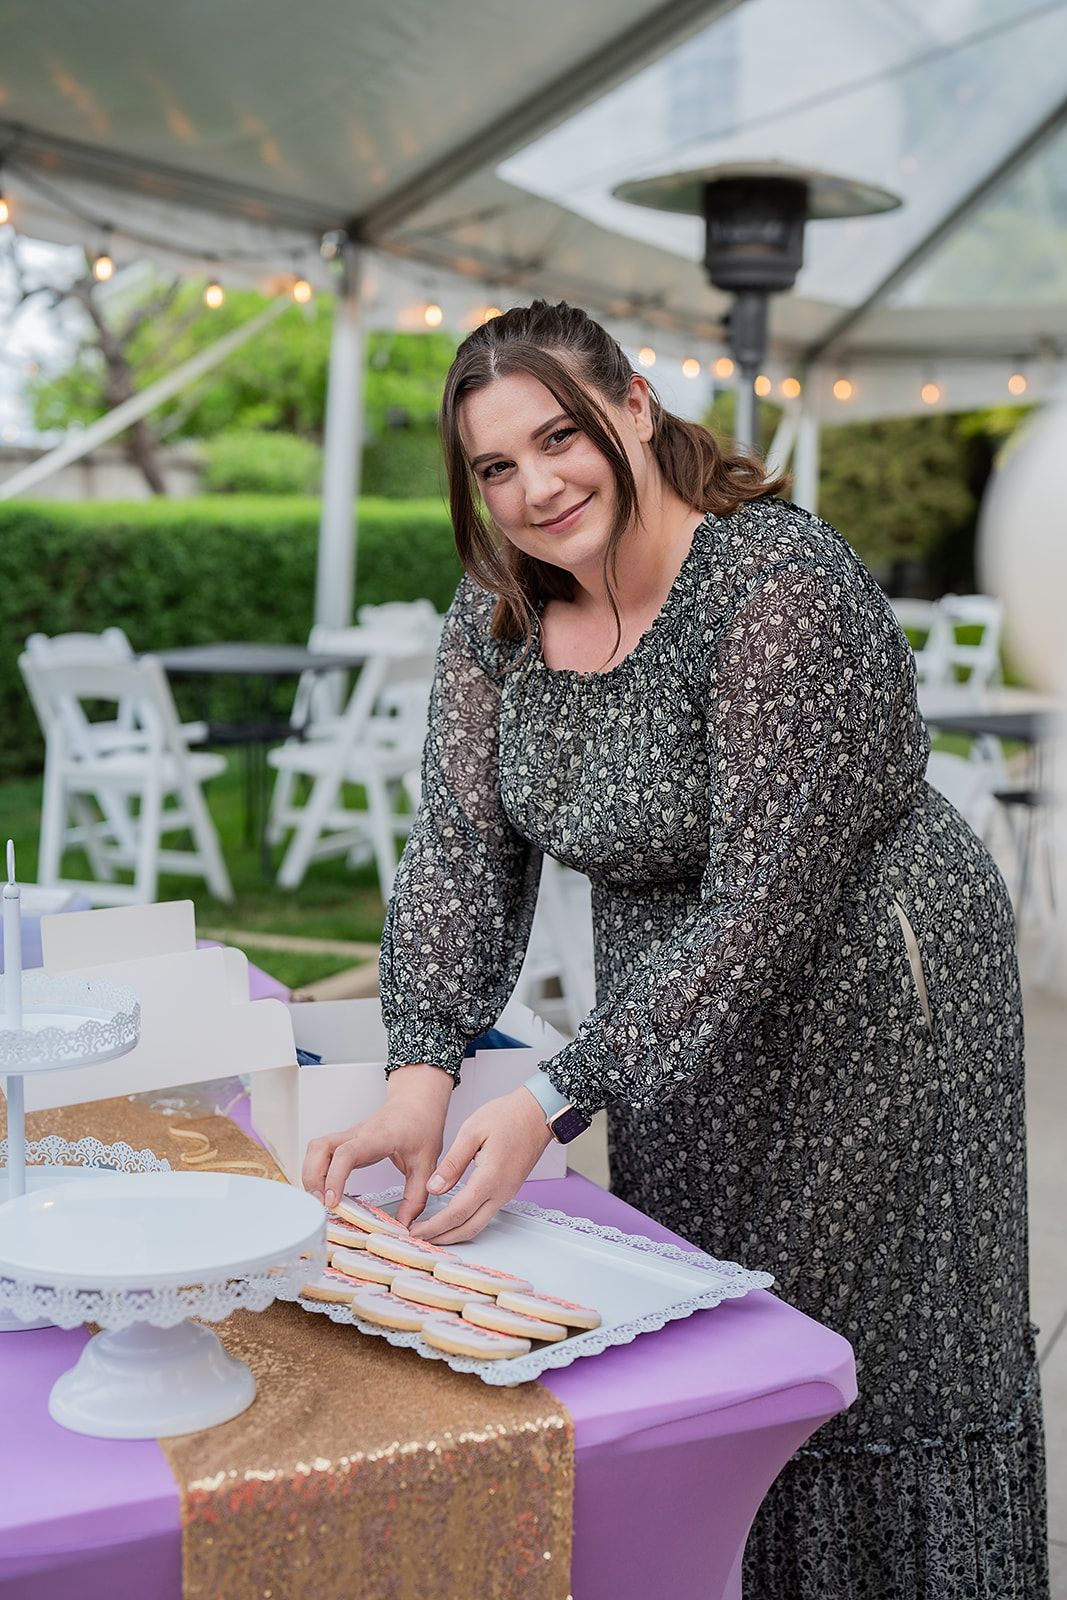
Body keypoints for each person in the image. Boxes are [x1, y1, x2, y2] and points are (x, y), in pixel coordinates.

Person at [303, 300, 1047, 1598]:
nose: (535, 487)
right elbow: (466, 847)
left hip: (872, 979)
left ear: (635, 409)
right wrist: (422, 1062)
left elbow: (765, 899)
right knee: (702, 1315)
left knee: (860, 1347)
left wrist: (550, 1090)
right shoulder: (494, 622)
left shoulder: (779, 588)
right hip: (674, 998)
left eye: (561, 437)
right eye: (495, 466)